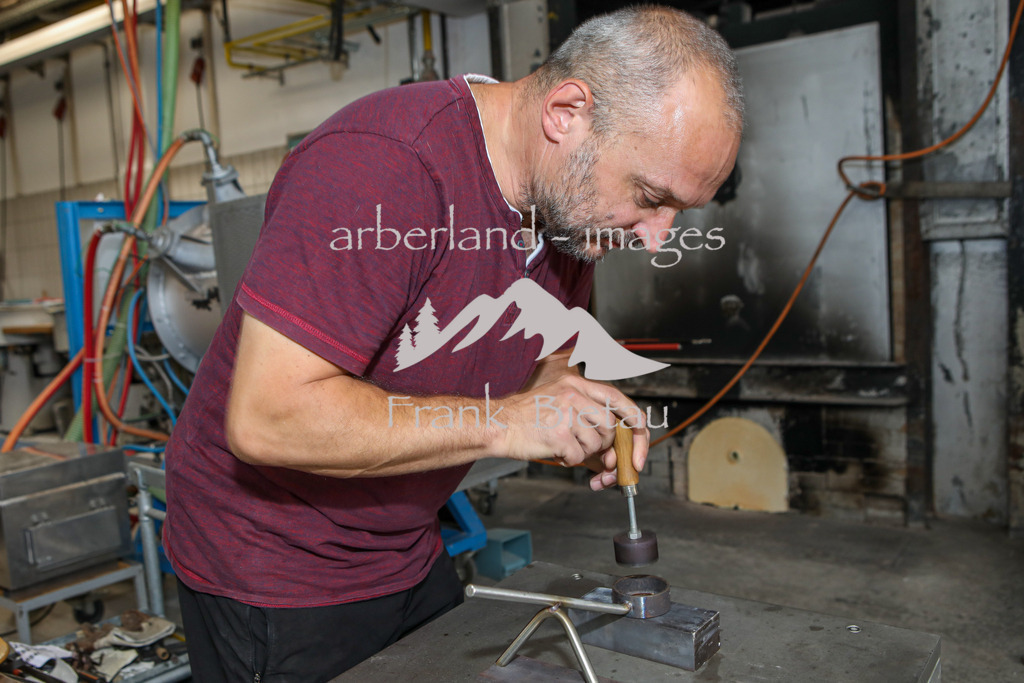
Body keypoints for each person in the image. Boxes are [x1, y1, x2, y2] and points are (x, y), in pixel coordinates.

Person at [163, 5, 743, 681]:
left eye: (679, 211)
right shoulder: (384, 167)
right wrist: (502, 421)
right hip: (276, 565)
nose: (656, 237)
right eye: (649, 195)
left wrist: (566, 405)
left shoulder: (566, 212)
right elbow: (269, 417)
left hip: (405, 540)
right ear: (566, 113)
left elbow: (544, 361)